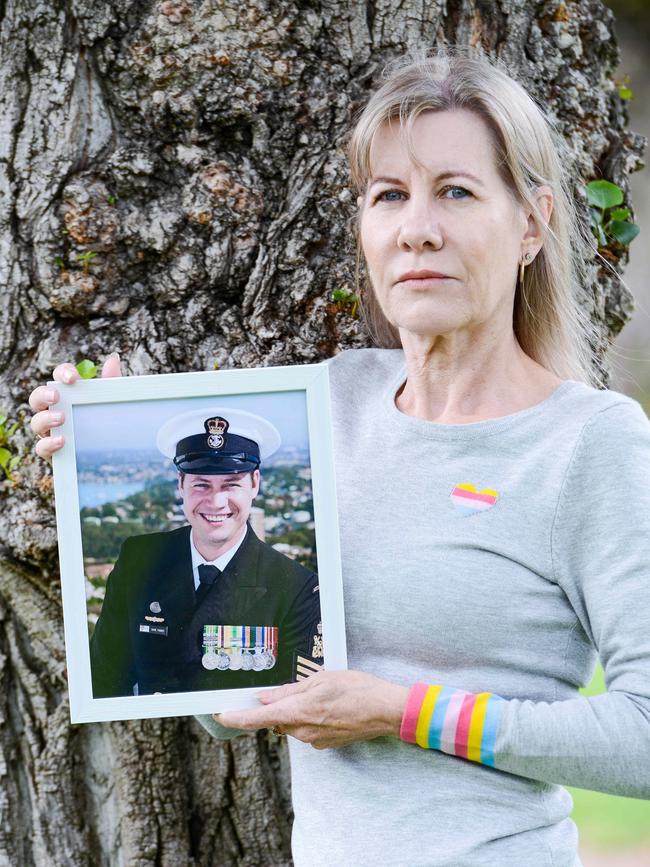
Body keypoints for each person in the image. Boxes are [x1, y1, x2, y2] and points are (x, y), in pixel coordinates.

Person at [29, 50, 650, 866]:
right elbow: (240, 701)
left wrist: (400, 711)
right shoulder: (332, 401)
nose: (415, 228)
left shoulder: (588, 441)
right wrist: (100, 465)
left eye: (456, 192)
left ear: (532, 222)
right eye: (389, 195)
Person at [86, 405, 321, 697]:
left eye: (231, 484)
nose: (217, 502)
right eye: (201, 484)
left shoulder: (296, 588)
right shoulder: (140, 558)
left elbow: (299, 702)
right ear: (181, 485)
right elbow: (104, 677)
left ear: (255, 484)